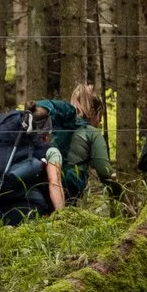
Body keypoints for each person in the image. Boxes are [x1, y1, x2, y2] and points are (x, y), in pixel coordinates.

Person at [38, 82, 111, 211]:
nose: (99, 121)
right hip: (68, 189)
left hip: (42, 184)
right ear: (96, 112)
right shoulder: (92, 132)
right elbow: (104, 172)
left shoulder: (55, 126)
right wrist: (119, 195)